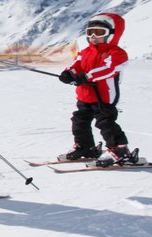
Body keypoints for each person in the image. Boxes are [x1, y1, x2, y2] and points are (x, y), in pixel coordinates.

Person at [58, 13, 137, 167]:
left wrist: (87, 76)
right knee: (79, 121)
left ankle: (119, 150)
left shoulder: (117, 53)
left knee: (105, 122)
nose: (93, 36)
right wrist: (69, 73)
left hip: (103, 96)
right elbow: (77, 64)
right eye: (90, 32)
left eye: (100, 32)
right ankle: (85, 147)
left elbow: (108, 69)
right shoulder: (86, 52)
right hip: (85, 95)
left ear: (112, 34)